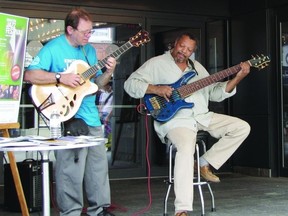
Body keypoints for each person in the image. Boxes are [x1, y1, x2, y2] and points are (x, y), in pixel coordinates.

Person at [124, 32, 251, 216]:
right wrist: (156, 89)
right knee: (185, 147)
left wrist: (238, 77)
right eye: (182, 46)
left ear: (193, 52)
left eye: (189, 49)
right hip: (176, 121)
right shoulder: (156, 63)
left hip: (202, 116)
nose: (184, 51)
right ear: (174, 44)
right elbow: (130, 84)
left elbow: (215, 93)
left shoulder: (197, 68)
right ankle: (182, 209)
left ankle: (202, 163)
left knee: (241, 127)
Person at [24, 7, 116, 216]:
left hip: (91, 115)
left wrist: (110, 71)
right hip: (67, 115)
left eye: (91, 31)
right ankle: (71, 212)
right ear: (69, 29)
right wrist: (60, 78)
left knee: (98, 167)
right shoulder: (54, 48)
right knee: (70, 170)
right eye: (85, 32)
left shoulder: (89, 51)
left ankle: (98, 209)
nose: (88, 36)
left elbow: (98, 84)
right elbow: (30, 75)